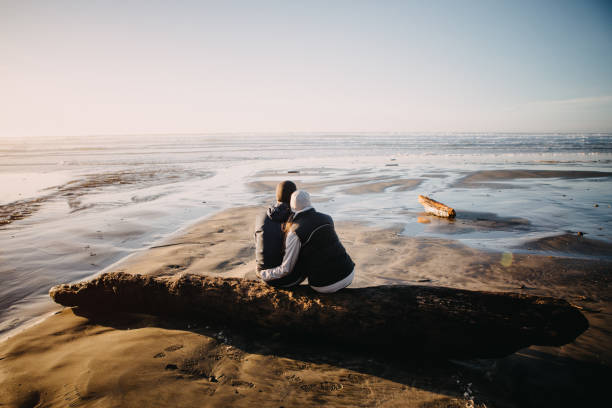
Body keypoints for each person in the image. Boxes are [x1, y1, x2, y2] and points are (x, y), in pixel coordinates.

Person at [259, 190, 355, 293]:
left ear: (291, 207)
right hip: (349, 273)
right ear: (309, 202)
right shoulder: (327, 218)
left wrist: (263, 274)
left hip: (324, 285)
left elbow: (286, 269)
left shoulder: (294, 232)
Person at [254, 180, 297, 275]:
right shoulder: (295, 219)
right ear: (293, 197)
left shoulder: (261, 216)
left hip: (261, 270)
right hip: (284, 277)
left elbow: (257, 242)